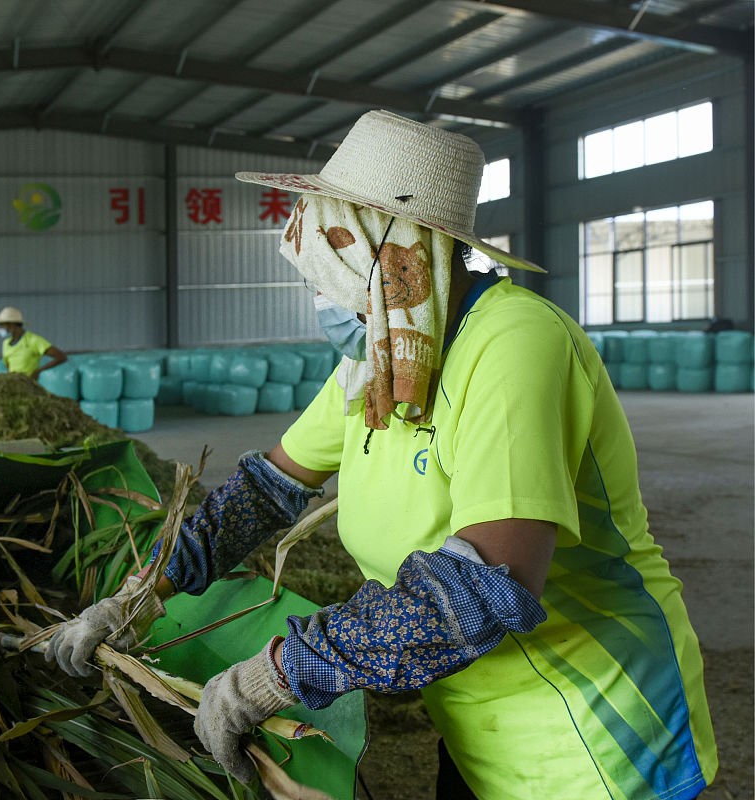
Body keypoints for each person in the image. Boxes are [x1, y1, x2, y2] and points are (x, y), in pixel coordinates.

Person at [45, 110, 716, 799]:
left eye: (330, 268)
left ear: (392, 250)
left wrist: (283, 670)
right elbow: (265, 489)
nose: (321, 296)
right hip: (476, 729)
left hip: (594, 738)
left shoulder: (514, 345)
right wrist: (143, 590)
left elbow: (488, 587)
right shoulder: (380, 363)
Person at [0, 306, 67, 378]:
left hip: (28, 383)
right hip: (14, 384)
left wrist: (38, 372)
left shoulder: (33, 340)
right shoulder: (5, 344)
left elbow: (61, 357)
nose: (1, 328)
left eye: (2, 325)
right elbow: (8, 366)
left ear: (11, 324)